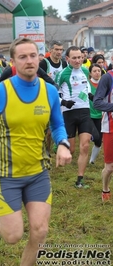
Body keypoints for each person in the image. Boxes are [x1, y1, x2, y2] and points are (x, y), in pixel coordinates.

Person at [0, 37, 72, 266]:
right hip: (6, 175)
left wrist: (63, 143)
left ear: (39, 58)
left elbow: (58, 125)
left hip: (38, 172)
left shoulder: (49, 91)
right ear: (13, 62)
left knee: (40, 231)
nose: (29, 61)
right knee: (13, 237)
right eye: (22, 57)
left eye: (33, 55)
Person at [55, 46, 93, 188]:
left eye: (80, 57)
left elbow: (86, 85)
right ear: (67, 59)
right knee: (70, 149)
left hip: (84, 111)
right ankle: (58, 150)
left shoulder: (84, 70)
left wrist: (89, 94)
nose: (78, 60)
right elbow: (54, 93)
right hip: (69, 112)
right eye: (75, 58)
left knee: (85, 146)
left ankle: (79, 179)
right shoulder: (62, 74)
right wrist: (63, 102)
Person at [93, 68, 113, 202]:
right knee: (110, 167)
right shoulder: (108, 77)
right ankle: (105, 189)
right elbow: (97, 102)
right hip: (110, 127)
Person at [88, 64, 103, 164]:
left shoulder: (104, 84)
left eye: (99, 71)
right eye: (94, 71)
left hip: (100, 115)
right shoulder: (86, 84)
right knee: (95, 136)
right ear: (90, 73)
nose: (97, 73)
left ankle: (91, 161)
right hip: (88, 115)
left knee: (99, 141)